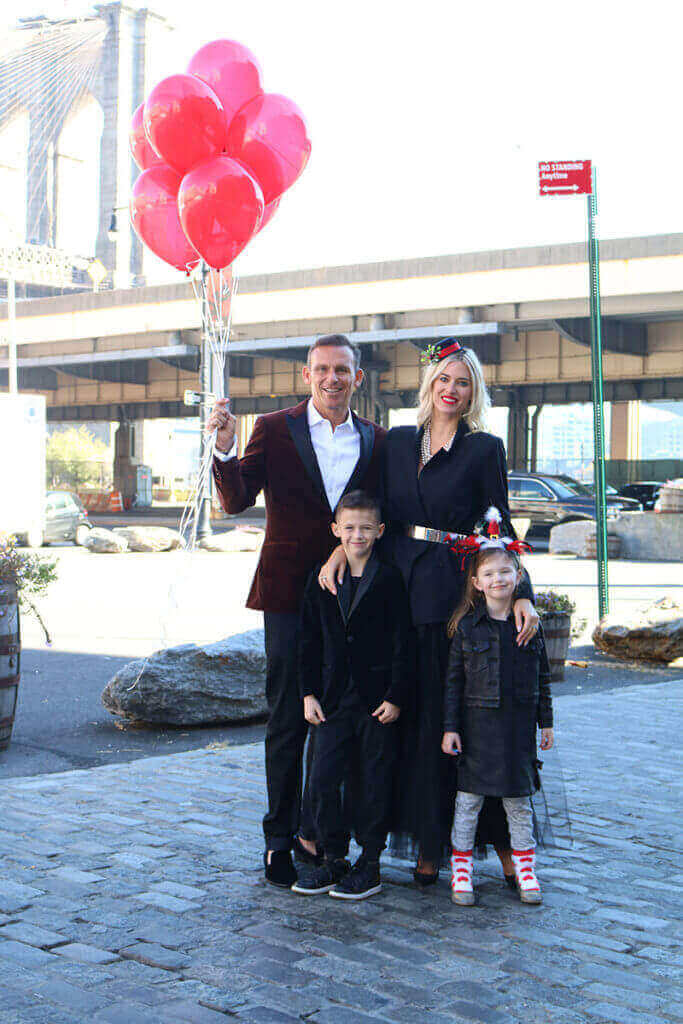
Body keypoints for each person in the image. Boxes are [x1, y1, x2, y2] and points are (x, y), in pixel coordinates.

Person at [319, 337, 539, 886]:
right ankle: (402, 835)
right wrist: (336, 549)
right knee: (400, 720)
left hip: (449, 596)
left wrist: (524, 590)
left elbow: (500, 526)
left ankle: (442, 844)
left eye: (462, 383)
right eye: (443, 379)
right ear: (429, 385)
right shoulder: (395, 442)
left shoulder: (484, 449)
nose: (451, 390)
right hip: (393, 592)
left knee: (449, 723)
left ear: (472, 395)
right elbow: (361, 508)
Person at [208, 335, 385, 888]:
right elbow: (235, 501)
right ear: (307, 376)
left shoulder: (375, 440)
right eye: (322, 369)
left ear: (358, 377)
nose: (332, 378)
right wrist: (224, 450)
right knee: (287, 718)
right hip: (287, 594)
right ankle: (279, 839)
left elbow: (381, 518)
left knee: (341, 719)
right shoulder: (274, 428)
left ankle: (325, 835)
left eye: (343, 369)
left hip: (351, 599)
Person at [292, 490, 415, 900]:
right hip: (330, 700)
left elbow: (403, 642)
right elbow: (307, 640)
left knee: (373, 780)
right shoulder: (321, 578)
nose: (357, 535)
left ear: (380, 531)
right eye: (349, 528)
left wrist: (397, 695)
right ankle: (334, 857)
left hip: (376, 702)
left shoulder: (391, 578)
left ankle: (371, 862)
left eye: (365, 528)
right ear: (335, 531)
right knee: (323, 779)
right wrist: (308, 693)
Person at [442, 511, 554, 906]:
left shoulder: (527, 627)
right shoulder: (467, 628)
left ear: (518, 575)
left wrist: (546, 723)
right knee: (468, 803)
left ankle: (525, 868)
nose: (498, 580)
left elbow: (542, 678)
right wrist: (450, 727)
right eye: (489, 574)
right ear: (476, 582)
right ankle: (461, 868)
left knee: (518, 803)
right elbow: (453, 683)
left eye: (506, 572)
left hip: (516, 728)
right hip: (476, 728)